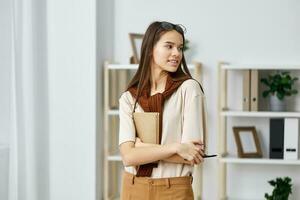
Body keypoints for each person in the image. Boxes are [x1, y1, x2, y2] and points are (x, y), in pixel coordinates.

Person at [118, 21, 207, 200]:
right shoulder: (129, 97)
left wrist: (141, 148)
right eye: (169, 46)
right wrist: (176, 147)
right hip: (133, 187)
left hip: (174, 189)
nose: (177, 53)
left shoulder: (189, 89)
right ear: (150, 48)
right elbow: (128, 157)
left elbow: (191, 156)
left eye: (180, 48)